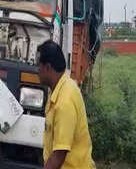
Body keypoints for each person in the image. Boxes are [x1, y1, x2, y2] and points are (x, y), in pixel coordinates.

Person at [37, 40, 96, 169]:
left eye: (39, 65)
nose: (37, 70)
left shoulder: (64, 102)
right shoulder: (63, 88)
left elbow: (59, 156)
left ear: (47, 67)